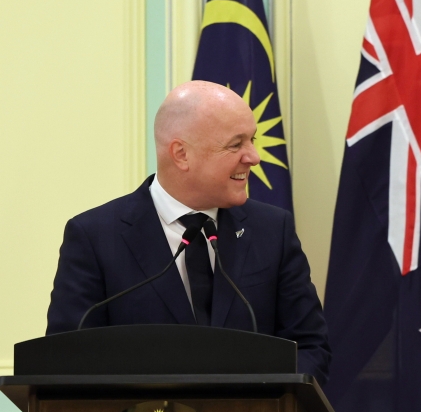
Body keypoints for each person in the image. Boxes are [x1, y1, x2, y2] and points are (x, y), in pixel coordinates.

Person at [46, 81, 331, 382]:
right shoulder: (95, 238)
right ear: (181, 154)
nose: (253, 156)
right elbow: (68, 360)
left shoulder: (272, 230)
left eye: (252, 140)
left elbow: (310, 348)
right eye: (236, 144)